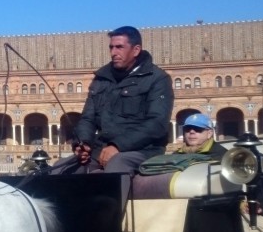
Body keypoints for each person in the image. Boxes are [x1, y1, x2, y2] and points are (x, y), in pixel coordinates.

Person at [53, 25, 174, 174]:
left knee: (116, 166)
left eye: (119, 47)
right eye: (111, 47)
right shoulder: (102, 78)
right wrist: (83, 143)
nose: (113, 52)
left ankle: (110, 198)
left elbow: (157, 123)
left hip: (142, 150)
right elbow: (88, 118)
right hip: (102, 149)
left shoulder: (157, 79)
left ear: (136, 50)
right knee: (61, 168)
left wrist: (118, 146)